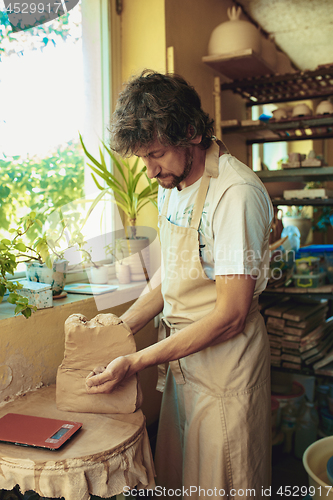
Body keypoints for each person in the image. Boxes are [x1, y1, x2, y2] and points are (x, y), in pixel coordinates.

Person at [86, 70, 274, 499]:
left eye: (155, 154)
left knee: (225, 483)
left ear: (190, 132)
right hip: (183, 364)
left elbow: (230, 315)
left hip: (226, 368)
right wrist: (121, 329)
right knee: (182, 481)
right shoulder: (173, 184)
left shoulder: (235, 195)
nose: (151, 171)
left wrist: (135, 362)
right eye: (144, 160)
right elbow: (174, 271)